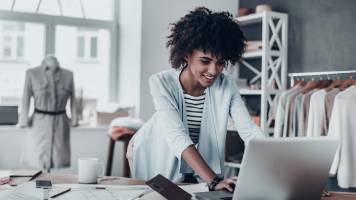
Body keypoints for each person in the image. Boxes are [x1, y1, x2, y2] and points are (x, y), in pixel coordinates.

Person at [128, 7, 264, 192]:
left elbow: (249, 131)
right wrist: (214, 181)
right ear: (187, 54)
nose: (214, 71)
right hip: (154, 152)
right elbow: (177, 137)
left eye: (221, 62)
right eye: (205, 61)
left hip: (195, 167)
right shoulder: (161, 83)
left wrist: (271, 160)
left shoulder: (226, 85)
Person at [19, 55, 78, 171]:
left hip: (60, 121)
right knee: (38, 158)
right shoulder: (31, 73)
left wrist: (74, 119)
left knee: (57, 157)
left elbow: (73, 99)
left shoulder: (68, 75)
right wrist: (23, 120)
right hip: (39, 123)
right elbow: (25, 98)